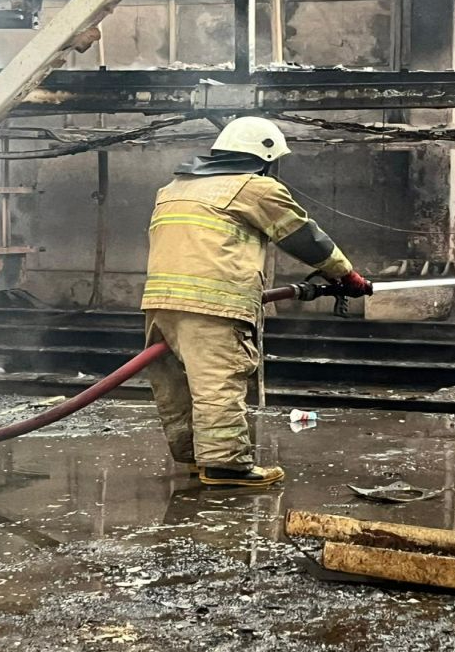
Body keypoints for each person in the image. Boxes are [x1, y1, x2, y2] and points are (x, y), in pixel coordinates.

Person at [143, 117, 373, 488]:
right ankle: (225, 465)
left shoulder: (173, 188)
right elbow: (304, 238)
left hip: (161, 302)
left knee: (178, 384)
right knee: (220, 380)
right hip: (214, 304)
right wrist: (345, 275)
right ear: (265, 157)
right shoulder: (254, 188)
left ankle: (194, 456)